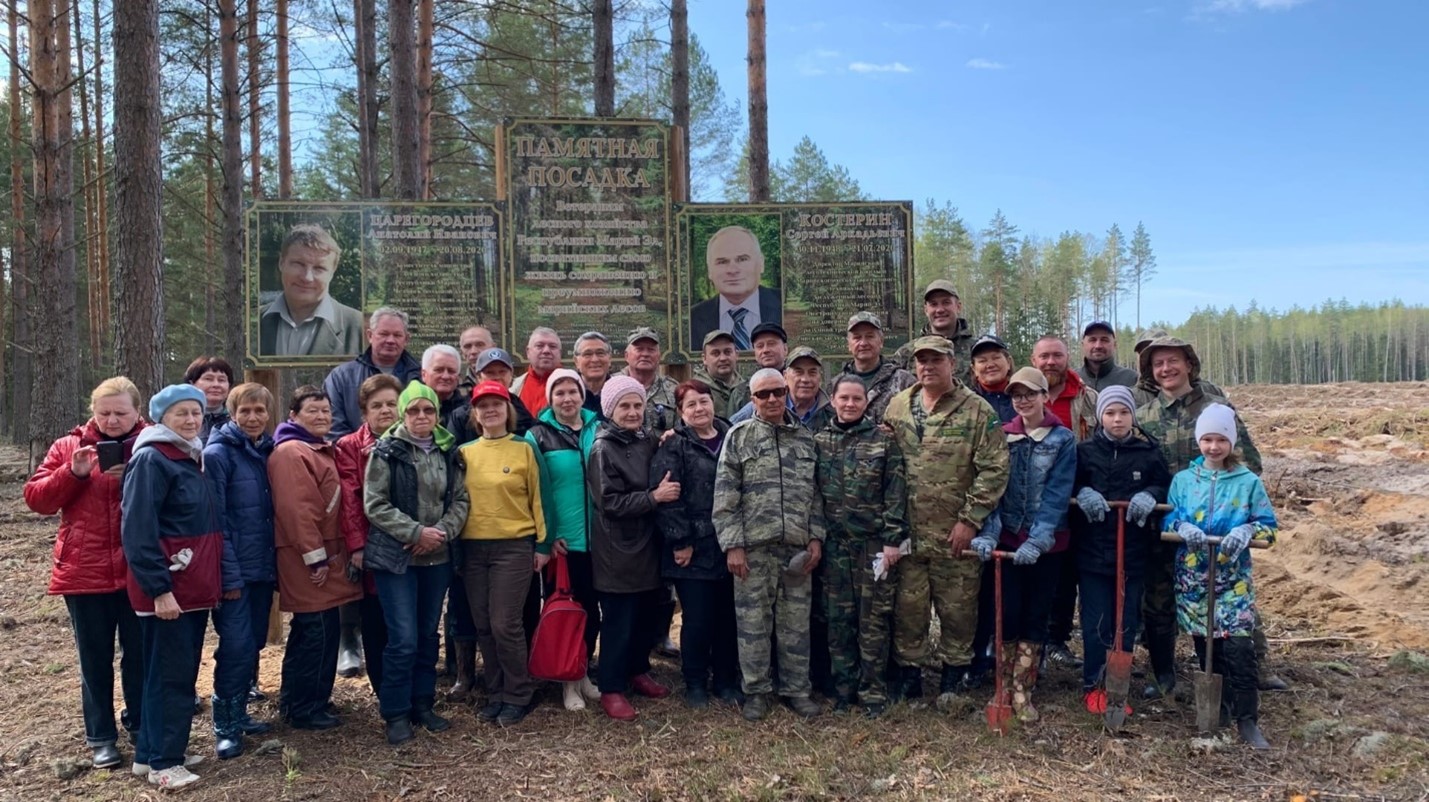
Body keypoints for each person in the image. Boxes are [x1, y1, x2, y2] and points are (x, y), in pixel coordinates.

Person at [1134, 336, 1270, 698]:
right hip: (1165, 526)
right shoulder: (1145, 416)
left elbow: (1250, 465)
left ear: (1190, 364)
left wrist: (1231, 511)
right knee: (1158, 599)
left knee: (1224, 601)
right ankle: (1163, 674)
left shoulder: (1216, 409)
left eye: (1173, 361)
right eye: (1158, 364)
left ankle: (1237, 673)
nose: (1166, 369)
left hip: (1217, 529)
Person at [25, 377, 148, 771]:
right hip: (85, 570)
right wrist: (72, 474)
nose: (112, 421)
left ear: (137, 412)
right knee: (94, 660)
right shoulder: (69, 445)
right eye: (104, 412)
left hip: (138, 570)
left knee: (141, 656)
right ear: (93, 412)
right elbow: (37, 499)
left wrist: (134, 476)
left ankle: (142, 726)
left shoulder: (152, 444)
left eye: (120, 413)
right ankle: (101, 737)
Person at [884, 336, 1009, 701]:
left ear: (952, 364)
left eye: (936, 360)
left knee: (958, 609)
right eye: (922, 360)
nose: (928, 367)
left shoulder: (977, 411)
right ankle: (910, 676)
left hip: (953, 532)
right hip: (908, 532)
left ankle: (954, 676)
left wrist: (970, 520)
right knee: (909, 608)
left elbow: (994, 470)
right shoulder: (898, 406)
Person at [120, 384, 222, 790]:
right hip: (170, 590)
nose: (191, 420)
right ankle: (166, 762)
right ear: (162, 418)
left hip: (189, 586)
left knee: (167, 671)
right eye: (181, 413)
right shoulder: (152, 459)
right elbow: (138, 530)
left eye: (196, 413)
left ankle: (150, 754)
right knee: (171, 676)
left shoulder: (188, 456)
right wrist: (160, 588)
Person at [714, 368, 825, 721]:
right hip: (753, 550)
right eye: (764, 395)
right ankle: (757, 691)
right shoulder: (739, 437)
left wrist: (815, 537)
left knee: (796, 624)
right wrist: (733, 544)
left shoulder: (805, 438)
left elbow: (816, 495)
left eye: (778, 392)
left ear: (787, 391)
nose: (773, 399)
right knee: (753, 626)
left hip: (796, 549)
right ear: (753, 400)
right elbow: (725, 496)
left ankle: (796, 689)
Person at [1164, 404, 1278, 750]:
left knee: (1239, 647)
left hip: (1233, 580)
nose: (1213, 447)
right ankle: (1220, 707)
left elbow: (1269, 529)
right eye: (1207, 439)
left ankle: (1248, 718)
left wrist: (1248, 530)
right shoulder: (1184, 481)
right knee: (1206, 646)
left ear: (1231, 442)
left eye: (1220, 440)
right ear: (1199, 441)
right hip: (1194, 578)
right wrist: (1181, 526)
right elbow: (1167, 521)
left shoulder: (1247, 482)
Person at [363, 381, 470, 745]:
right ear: (403, 414)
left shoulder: (448, 450)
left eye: (428, 410)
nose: (421, 417)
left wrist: (439, 532)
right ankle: (395, 712)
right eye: (413, 411)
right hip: (397, 559)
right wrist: (415, 533)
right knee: (403, 638)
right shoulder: (387, 450)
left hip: (437, 557)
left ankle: (423, 704)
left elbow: (461, 500)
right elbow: (375, 504)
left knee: (427, 634)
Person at [969, 367, 1076, 723]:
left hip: (1047, 546)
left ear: (1045, 396)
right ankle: (1002, 685)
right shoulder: (1003, 436)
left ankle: (1023, 688)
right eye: (1017, 395)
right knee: (1006, 613)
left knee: (1036, 614)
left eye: (1031, 393)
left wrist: (1040, 538)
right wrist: (988, 531)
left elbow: (1058, 494)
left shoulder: (1062, 440)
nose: (1023, 400)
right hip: (1006, 541)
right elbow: (994, 488)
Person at [1071, 385, 1171, 716]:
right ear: (1100, 417)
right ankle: (1094, 686)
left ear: (1133, 416)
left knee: (1125, 623)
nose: (1117, 419)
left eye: (1124, 412)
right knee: (1097, 621)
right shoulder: (1085, 452)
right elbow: (1069, 485)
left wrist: (1150, 495)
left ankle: (1118, 686)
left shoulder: (1148, 453)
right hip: (1093, 554)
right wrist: (1082, 492)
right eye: (1111, 413)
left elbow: (1163, 484)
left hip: (1133, 553)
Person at [812, 375, 908, 718]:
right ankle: (843, 691)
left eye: (856, 399)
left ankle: (873, 692)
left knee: (874, 622)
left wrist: (893, 540)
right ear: (833, 401)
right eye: (844, 398)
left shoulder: (883, 442)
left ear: (866, 403)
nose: (850, 404)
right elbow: (813, 495)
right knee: (839, 622)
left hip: (873, 548)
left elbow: (896, 493)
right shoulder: (819, 442)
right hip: (835, 548)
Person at [269, 386, 363, 730]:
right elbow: (298, 510)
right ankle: (301, 707)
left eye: (326, 411)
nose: (322, 416)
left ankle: (314, 700)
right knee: (314, 633)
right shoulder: (292, 453)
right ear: (293, 416)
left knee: (321, 632)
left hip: (325, 555)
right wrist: (315, 558)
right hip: (307, 558)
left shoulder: (319, 449)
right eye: (313, 411)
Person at [585, 376, 678, 720]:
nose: (632, 412)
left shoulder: (645, 440)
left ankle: (638, 670)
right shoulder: (603, 448)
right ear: (610, 410)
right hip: (618, 551)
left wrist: (667, 439)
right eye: (624, 406)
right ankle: (611, 687)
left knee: (645, 616)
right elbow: (610, 502)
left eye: (637, 405)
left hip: (650, 545)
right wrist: (654, 497)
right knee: (619, 621)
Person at [458, 381, 547, 727]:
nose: (490, 410)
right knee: (483, 625)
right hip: (473, 548)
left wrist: (542, 543)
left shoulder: (524, 448)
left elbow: (540, 497)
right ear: (475, 414)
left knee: (505, 623)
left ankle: (518, 693)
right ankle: (495, 692)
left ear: (507, 411)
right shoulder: (464, 453)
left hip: (514, 545)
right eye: (483, 405)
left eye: (497, 403)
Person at [651, 380, 739, 710]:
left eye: (704, 401)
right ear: (680, 412)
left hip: (730, 545)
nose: (699, 409)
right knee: (698, 619)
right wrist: (681, 541)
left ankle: (727, 680)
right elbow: (667, 498)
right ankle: (696, 682)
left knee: (728, 618)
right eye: (691, 405)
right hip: (691, 550)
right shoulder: (674, 446)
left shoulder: (733, 436)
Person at [202, 383, 278, 759]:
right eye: (245, 411)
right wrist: (228, 576)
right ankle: (225, 726)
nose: (252, 417)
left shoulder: (269, 451)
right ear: (232, 413)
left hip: (263, 566)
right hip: (233, 572)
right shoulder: (218, 454)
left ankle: (242, 713)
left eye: (259, 411)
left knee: (256, 641)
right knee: (235, 646)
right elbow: (217, 522)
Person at [523, 368, 602, 711]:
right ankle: (567, 683)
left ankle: (582, 673)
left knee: (593, 614)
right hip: (564, 544)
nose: (567, 398)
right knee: (566, 612)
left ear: (582, 395)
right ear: (550, 398)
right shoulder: (537, 436)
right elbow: (534, 492)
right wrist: (548, 535)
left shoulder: (600, 428)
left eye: (573, 391)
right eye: (560, 393)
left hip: (600, 540)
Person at [334, 374, 403, 698]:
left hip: (411, 546)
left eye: (391, 404)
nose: (386, 410)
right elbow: (350, 498)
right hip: (374, 547)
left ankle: (412, 693)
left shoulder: (414, 440)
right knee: (377, 623)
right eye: (377, 406)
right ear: (364, 412)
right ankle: (386, 693)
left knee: (407, 626)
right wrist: (359, 546)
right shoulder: (349, 446)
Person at [1032, 335, 1098, 670]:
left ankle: (1058, 638)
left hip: (1079, 501)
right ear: (1033, 360)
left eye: (1056, 355)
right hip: (1035, 503)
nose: (1050, 362)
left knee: (1070, 571)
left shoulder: (1088, 399)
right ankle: (1035, 640)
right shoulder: (1024, 396)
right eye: (1043, 356)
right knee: (1041, 572)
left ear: (1067, 357)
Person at [259, 223, 365, 356]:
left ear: (332, 272)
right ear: (281, 263)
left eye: (319, 268)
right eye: (298, 264)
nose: (307, 277)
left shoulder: (359, 328)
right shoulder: (253, 323)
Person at [324, 307, 424, 439]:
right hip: (354, 456)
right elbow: (333, 426)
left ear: (406, 339)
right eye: (383, 334)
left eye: (397, 335)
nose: (390, 340)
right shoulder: (341, 377)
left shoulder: (420, 378)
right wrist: (359, 452)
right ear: (370, 335)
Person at [689, 225, 782, 349]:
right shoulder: (691, 319)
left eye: (742, 259)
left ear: (761, 264)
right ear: (710, 271)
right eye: (722, 262)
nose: (732, 270)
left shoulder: (783, 306)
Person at [832, 312, 915, 423]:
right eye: (857, 337)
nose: (863, 343)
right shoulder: (836, 384)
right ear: (849, 345)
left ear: (881, 341)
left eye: (870, 336)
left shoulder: (904, 381)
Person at [729, 346, 833, 430]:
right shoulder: (762, 404)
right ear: (785, 377)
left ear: (820, 378)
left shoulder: (833, 412)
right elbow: (729, 429)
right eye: (798, 372)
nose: (805, 379)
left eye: (812, 372)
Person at [893, 280, 974, 385]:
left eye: (946, 302)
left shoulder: (977, 350)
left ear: (958, 307)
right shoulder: (906, 353)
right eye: (934, 304)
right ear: (926, 310)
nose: (940, 310)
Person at [618, 327, 680, 436]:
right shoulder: (612, 386)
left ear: (659, 356)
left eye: (651, 350)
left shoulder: (673, 388)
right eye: (639, 349)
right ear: (626, 356)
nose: (645, 354)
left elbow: (682, 428)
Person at [472, 347, 536, 435]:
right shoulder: (463, 413)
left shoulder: (519, 406)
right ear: (478, 377)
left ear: (511, 374)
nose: (497, 377)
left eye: (502, 372)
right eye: (490, 372)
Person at [727, 322, 789, 412]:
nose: (765, 350)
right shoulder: (742, 392)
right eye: (760, 346)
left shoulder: (798, 385)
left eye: (771, 344)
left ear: (785, 349)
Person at [421, 344, 472, 446]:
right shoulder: (410, 407)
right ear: (424, 374)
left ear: (458, 377)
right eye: (438, 370)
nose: (445, 376)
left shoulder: (469, 410)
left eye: (451, 371)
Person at [510, 327, 563, 416]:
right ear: (528, 352)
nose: (546, 351)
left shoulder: (573, 385)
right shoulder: (514, 386)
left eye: (552, 346)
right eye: (539, 346)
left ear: (560, 353)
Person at [692, 330, 743, 419]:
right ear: (704, 358)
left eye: (727, 352)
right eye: (715, 353)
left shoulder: (749, 389)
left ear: (736, 355)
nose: (723, 358)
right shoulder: (694, 390)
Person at [184, 357, 235, 444]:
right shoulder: (179, 418)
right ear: (191, 384)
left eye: (221, 380)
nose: (216, 385)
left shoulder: (237, 420)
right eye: (208, 379)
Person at [1076, 321, 1138, 391]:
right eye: (1092, 340)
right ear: (1083, 345)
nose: (1098, 346)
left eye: (1104, 340)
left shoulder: (1131, 379)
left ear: (1114, 345)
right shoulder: (1071, 379)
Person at [968, 334, 1016, 423]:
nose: (990, 365)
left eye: (996, 358)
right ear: (974, 369)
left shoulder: (1025, 397)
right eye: (982, 361)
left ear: (1008, 362)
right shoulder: (966, 401)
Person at [572, 331, 614, 415]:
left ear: (609, 359)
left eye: (600, 353)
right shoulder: (567, 393)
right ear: (576, 361)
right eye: (587, 354)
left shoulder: (620, 391)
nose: (595, 359)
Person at [456, 325, 495, 400]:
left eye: (480, 345)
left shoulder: (511, 382)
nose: (473, 351)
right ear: (462, 353)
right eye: (467, 346)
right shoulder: (455, 385)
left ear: (493, 347)